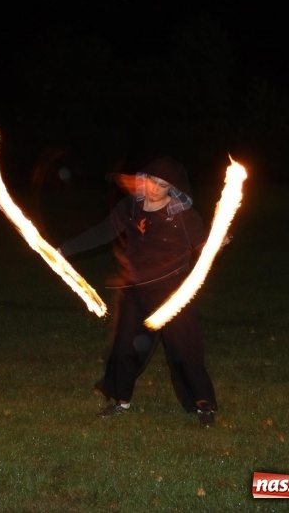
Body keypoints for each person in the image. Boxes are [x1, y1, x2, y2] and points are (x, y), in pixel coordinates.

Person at [58, 156, 220, 427]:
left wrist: (216, 243)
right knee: (123, 348)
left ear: (174, 189)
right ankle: (120, 400)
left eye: (162, 185)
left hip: (172, 293)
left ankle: (203, 406)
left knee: (184, 352)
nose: (154, 189)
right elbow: (102, 232)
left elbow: (201, 245)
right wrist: (64, 250)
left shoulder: (182, 216)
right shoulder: (130, 208)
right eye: (150, 181)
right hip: (135, 291)